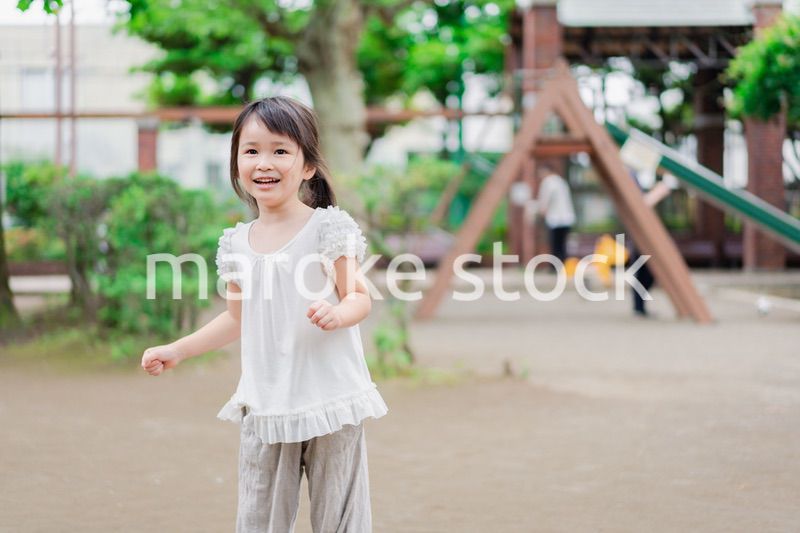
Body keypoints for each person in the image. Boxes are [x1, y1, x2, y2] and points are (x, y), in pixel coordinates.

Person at [140, 96, 388, 532]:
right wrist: (178, 349)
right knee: (259, 519)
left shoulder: (326, 229)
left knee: (341, 520)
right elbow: (235, 319)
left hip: (332, 399)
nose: (264, 162)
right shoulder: (236, 243)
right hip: (266, 401)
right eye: (251, 151)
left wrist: (339, 312)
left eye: (280, 150)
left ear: (307, 165)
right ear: (236, 163)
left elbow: (360, 296)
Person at [536, 163, 576, 263]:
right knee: (562, 245)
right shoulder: (561, 181)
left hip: (555, 219)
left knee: (555, 244)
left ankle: (555, 266)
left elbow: (545, 200)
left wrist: (541, 211)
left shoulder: (548, 182)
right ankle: (563, 264)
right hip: (567, 218)